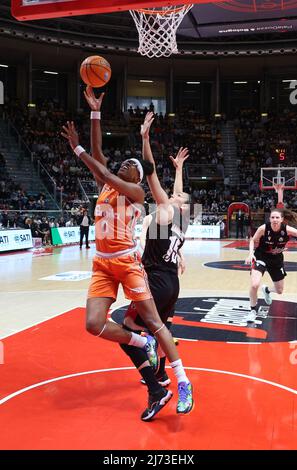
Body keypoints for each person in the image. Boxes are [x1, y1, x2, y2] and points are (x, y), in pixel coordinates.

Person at [61, 88, 192, 419]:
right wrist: (94, 113)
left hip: (130, 264)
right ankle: (143, 347)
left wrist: (75, 149)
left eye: (132, 164)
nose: (127, 163)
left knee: (152, 322)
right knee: (93, 324)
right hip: (103, 265)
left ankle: (181, 379)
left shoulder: (135, 193)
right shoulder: (109, 183)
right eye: (125, 162)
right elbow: (99, 154)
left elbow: (105, 168)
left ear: (138, 178)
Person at [121, 139, 191, 420]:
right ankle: (162, 377)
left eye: (176, 199)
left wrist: (146, 139)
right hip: (172, 284)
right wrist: (179, 169)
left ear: (178, 207)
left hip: (156, 283)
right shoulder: (182, 222)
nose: (174, 197)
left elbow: (151, 176)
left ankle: (163, 374)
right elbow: (179, 194)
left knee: (127, 328)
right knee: (162, 332)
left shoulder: (164, 215)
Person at [245, 206, 297, 322]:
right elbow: (253, 240)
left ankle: (267, 290)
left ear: (282, 219)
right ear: (269, 219)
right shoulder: (263, 228)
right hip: (261, 256)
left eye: (277, 217)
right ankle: (253, 310)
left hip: (276, 260)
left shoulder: (287, 229)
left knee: (279, 290)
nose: (274, 219)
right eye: (272, 217)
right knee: (254, 284)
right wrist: (250, 253)